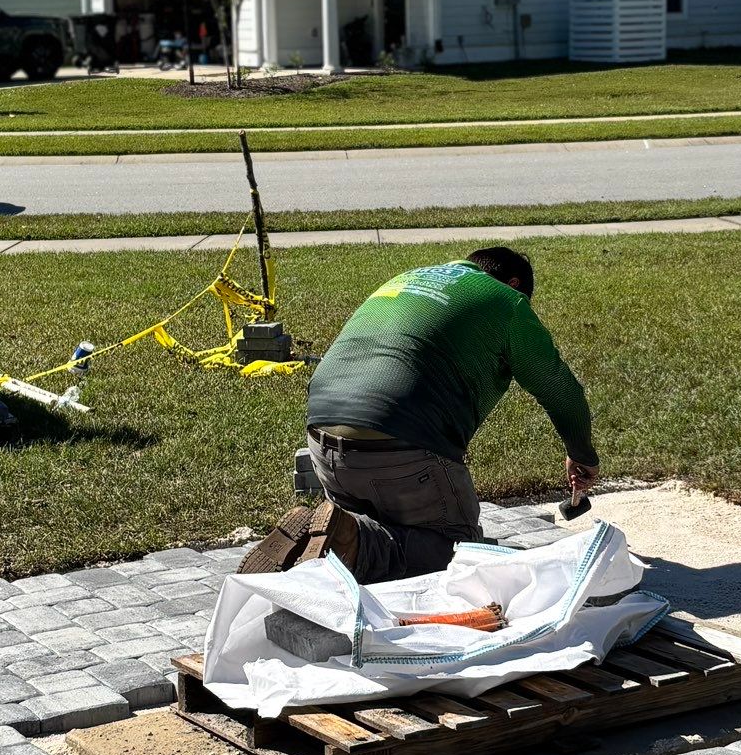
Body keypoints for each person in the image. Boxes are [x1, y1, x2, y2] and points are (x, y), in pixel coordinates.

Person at [242, 246, 599, 582]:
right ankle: (353, 544)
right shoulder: (507, 301)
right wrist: (582, 456)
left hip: (322, 438)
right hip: (403, 445)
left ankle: (334, 536)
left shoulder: (406, 279)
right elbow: (559, 389)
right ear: (514, 284)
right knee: (463, 556)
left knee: (370, 527)